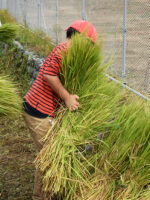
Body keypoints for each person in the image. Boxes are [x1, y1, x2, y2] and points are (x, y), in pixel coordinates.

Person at [23, 20, 97, 200]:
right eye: (89, 44)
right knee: (50, 158)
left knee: (52, 156)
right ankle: (41, 197)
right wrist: (66, 97)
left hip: (47, 112)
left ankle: (52, 194)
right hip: (38, 111)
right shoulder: (64, 48)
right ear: (81, 38)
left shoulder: (71, 53)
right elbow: (49, 74)